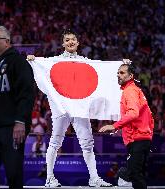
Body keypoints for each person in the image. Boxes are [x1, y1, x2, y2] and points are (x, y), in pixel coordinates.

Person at [27, 29, 112, 187]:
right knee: (55, 142)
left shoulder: (86, 61)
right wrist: (34, 61)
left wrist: (122, 64)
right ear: (63, 43)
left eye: (73, 39)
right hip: (61, 108)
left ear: (78, 43)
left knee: (87, 143)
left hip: (80, 107)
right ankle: (49, 178)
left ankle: (94, 178)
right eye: (67, 40)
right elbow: (43, 67)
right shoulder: (55, 61)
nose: (70, 42)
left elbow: (103, 71)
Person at [0, 26, 35, 189]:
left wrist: (20, 121)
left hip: (12, 127)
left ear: (7, 41)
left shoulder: (18, 61)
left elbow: (27, 93)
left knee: (13, 174)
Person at [99, 62, 154, 189]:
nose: (118, 75)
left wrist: (115, 126)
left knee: (134, 174)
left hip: (137, 140)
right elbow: (149, 117)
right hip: (142, 138)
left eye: (122, 72)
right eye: (118, 72)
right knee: (134, 174)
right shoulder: (135, 90)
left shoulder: (130, 91)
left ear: (130, 76)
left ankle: (122, 176)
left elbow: (133, 113)